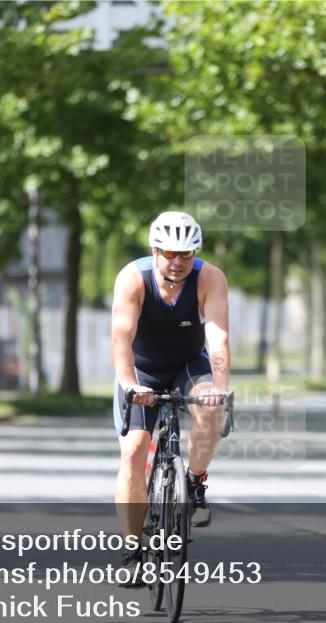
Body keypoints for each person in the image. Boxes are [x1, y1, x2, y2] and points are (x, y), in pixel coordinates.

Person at [110, 211, 230, 586]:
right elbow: (121, 339)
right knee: (134, 450)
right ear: (154, 250)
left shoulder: (209, 278)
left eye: (186, 254)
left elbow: (218, 338)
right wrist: (131, 385)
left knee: (210, 406)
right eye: (169, 253)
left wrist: (220, 387)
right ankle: (133, 549)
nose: (177, 262)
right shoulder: (134, 278)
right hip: (141, 371)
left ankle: (194, 481)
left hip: (187, 365)